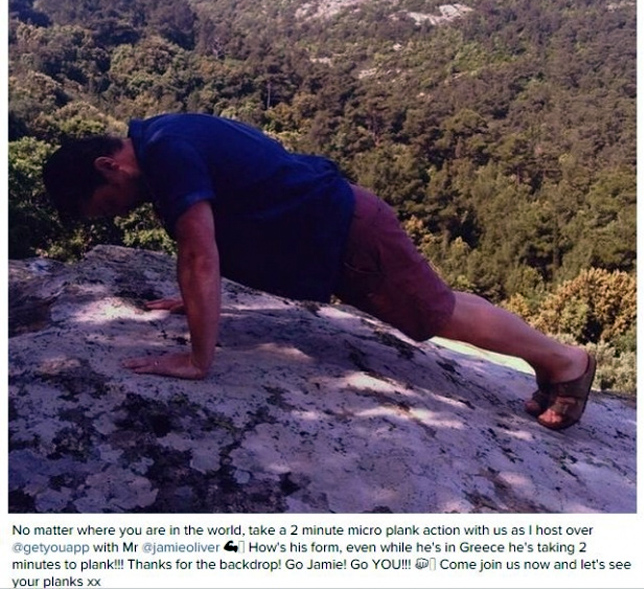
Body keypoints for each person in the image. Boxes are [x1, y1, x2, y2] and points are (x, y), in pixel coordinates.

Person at [42, 112, 596, 431]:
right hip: (341, 230)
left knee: (435, 315)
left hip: (348, 235)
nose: (117, 215)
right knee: (436, 305)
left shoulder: (167, 153)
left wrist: (197, 359)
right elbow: (225, 220)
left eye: (106, 205)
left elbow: (199, 253)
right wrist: (192, 299)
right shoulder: (162, 137)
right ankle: (548, 361)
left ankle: (565, 361)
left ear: (108, 166)